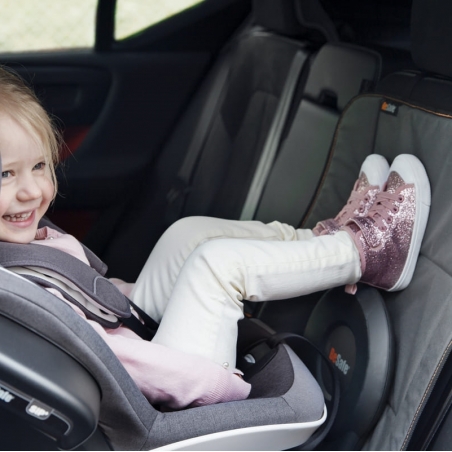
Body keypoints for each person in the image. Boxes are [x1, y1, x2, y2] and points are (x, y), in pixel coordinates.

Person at [0, 66, 431, 410]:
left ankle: (322, 240)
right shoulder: (16, 286)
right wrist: (221, 386)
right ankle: (366, 252)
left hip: (130, 340)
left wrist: (133, 300)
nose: (30, 191)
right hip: (158, 396)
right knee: (216, 265)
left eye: (39, 166)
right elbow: (111, 360)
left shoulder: (19, 249)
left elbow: (83, 302)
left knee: (186, 237)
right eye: (5, 175)